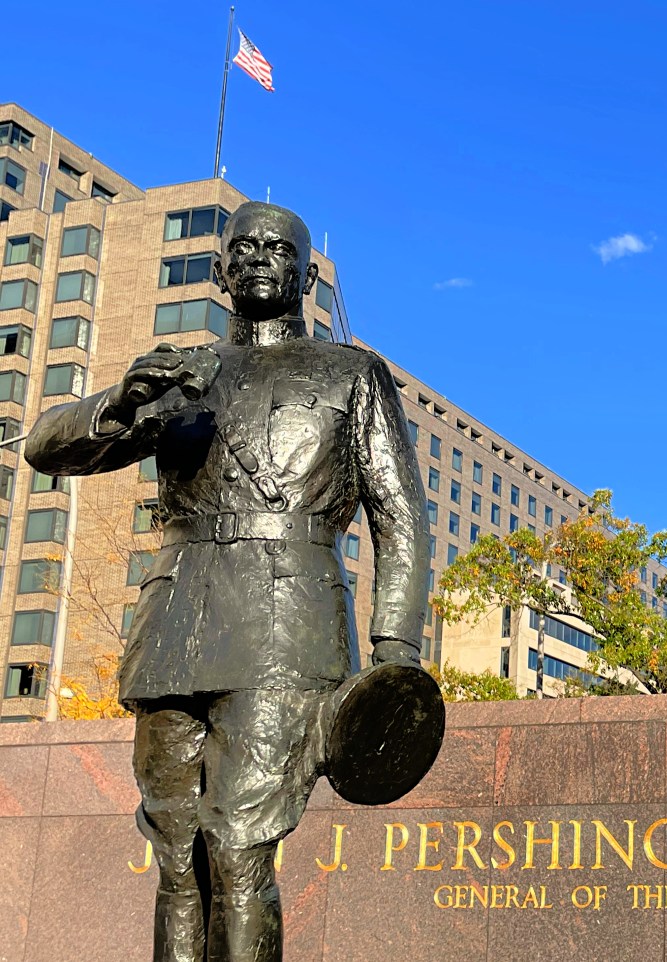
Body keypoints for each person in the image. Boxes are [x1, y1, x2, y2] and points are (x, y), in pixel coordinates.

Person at [24, 201, 430, 962]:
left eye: (277, 249)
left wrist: (395, 653)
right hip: (173, 625)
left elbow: (400, 515)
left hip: (288, 629)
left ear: (307, 277)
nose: (257, 259)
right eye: (242, 248)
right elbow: (46, 448)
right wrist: (123, 399)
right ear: (219, 270)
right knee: (176, 854)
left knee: (240, 847)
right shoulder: (179, 378)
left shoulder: (351, 373)